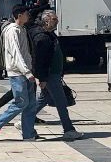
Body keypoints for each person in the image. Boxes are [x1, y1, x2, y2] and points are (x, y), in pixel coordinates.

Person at [30, 10, 83, 140]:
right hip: (50, 75)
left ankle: (25, 120)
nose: (57, 21)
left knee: (44, 99)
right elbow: (41, 60)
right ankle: (68, 129)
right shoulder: (42, 36)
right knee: (61, 102)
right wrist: (42, 78)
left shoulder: (49, 34)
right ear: (46, 20)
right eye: (54, 19)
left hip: (53, 74)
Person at [0, 5, 40, 140]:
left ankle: (28, 133)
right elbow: (16, 53)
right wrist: (27, 72)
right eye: (26, 14)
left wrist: (30, 70)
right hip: (17, 73)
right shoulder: (12, 31)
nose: (28, 16)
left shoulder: (22, 29)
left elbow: (25, 53)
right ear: (19, 15)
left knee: (30, 105)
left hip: (26, 71)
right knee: (22, 102)